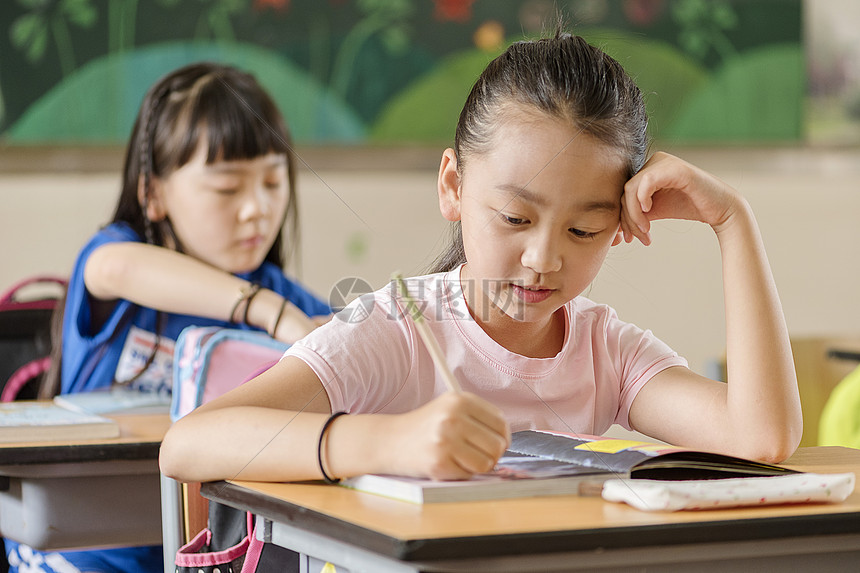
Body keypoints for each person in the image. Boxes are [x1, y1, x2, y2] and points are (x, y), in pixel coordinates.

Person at [159, 32, 802, 492]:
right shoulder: (398, 329)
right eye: (516, 219)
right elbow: (187, 445)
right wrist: (386, 443)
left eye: (585, 228)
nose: (544, 258)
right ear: (454, 187)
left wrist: (731, 221)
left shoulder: (607, 352)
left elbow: (761, 439)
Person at [5, 63, 330, 573]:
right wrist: (266, 310)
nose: (257, 209)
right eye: (228, 189)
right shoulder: (121, 261)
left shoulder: (287, 300)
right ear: (152, 194)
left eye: (273, 181)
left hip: (195, 559)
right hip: (72, 558)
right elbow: (112, 267)